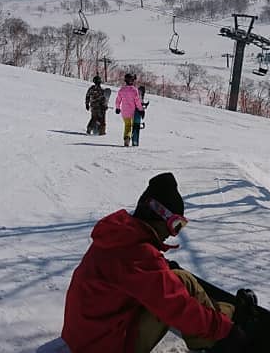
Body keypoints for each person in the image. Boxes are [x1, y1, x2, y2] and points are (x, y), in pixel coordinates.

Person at [62, 173, 253, 353]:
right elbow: (178, 308)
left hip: (84, 335)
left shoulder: (121, 236)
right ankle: (220, 333)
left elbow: (128, 275)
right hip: (104, 347)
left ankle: (222, 316)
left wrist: (163, 272)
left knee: (179, 280)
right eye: (175, 225)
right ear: (158, 216)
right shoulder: (139, 254)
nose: (172, 234)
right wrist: (226, 331)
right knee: (177, 293)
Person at [115, 73, 145, 148]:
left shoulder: (122, 90)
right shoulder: (134, 90)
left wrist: (118, 108)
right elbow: (137, 102)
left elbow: (118, 100)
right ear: (132, 81)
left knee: (127, 125)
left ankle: (127, 137)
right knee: (131, 125)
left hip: (124, 111)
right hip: (132, 111)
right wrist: (141, 110)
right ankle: (130, 138)